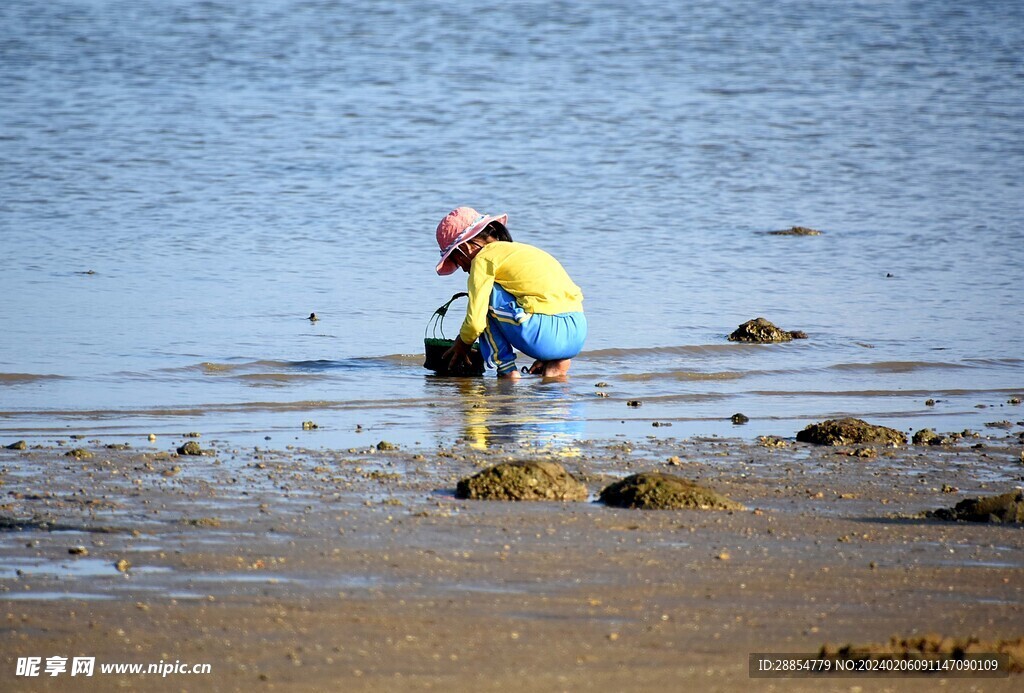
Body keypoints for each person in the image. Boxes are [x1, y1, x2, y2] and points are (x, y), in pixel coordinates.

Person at [434, 206, 586, 380]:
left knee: (485, 296)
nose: (462, 268)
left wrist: (462, 343)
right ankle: (555, 365)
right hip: (577, 332)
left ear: (465, 249)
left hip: (545, 338)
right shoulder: (523, 251)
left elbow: (475, 323)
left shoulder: (483, 259)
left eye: (456, 261)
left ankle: (507, 370)